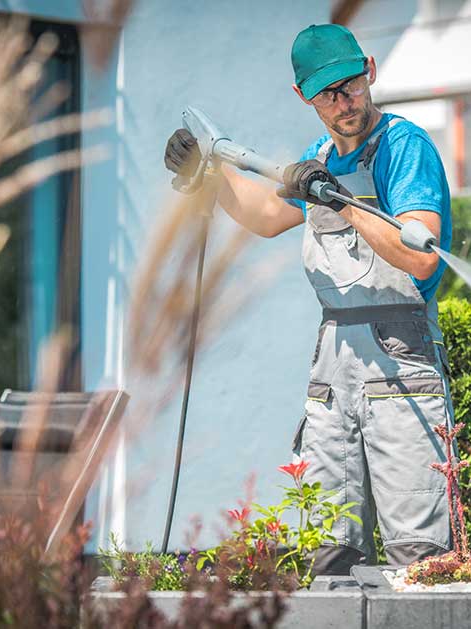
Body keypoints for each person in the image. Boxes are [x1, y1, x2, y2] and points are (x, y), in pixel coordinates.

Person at [163, 23, 455, 575]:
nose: (344, 101)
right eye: (327, 93)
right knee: (328, 543)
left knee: (417, 554)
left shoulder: (403, 147)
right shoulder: (319, 153)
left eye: (350, 84)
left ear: (369, 70)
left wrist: (341, 202)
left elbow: (422, 257)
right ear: (303, 97)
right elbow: (268, 215)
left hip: (401, 358)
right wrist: (209, 172)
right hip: (333, 361)